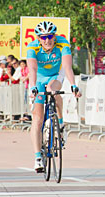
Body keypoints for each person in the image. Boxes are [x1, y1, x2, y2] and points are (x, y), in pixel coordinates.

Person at [27, 21, 81, 172]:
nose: (47, 40)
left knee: (53, 89)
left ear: (55, 35)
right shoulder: (32, 47)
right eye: (43, 37)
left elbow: (68, 67)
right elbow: (32, 69)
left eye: (50, 36)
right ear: (38, 38)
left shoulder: (63, 43)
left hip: (56, 75)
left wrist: (73, 85)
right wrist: (32, 88)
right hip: (38, 78)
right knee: (37, 119)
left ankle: (60, 121)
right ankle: (38, 157)